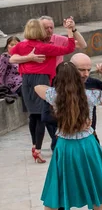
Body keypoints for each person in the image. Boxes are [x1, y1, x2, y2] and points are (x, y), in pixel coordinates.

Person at [35, 62, 102, 210]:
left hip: (65, 146)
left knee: (56, 186)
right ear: (77, 77)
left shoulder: (53, 95)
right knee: (96, 184)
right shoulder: (90, 95)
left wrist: (56, 84)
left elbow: (37, 87)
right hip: (87, 145)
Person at [9, 20, 76, 163]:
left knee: (33, 115)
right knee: (41, 115)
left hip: (26, 81)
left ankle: (34, 146)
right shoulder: (44, 47)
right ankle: (38, 150)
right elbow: (70, 48)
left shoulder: (21, 45)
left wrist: (27, 58)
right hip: (41, 80)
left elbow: (12, 57)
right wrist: (70, 30)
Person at [0, 36, 23, 101]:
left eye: (16, 45)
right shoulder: (5, 57)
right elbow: (1, 73)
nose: (14, 46)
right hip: (13, 84)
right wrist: (3, 88)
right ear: (7, 46)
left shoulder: (22, 57)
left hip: (23, 82)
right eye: (11, 45)